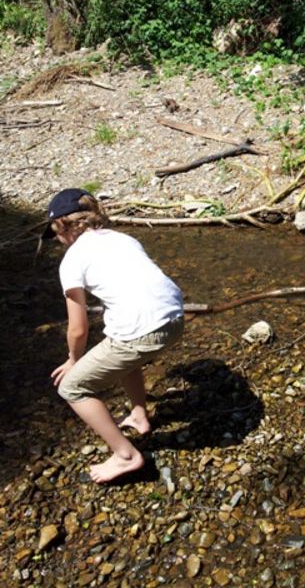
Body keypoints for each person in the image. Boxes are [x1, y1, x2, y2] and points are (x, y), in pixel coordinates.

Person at [44, 188, 184, 483]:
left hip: (142, 331)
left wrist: (72, 360)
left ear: (64, 226)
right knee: (119, 347)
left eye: (55, 232)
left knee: (72, 387)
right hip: (175, 318)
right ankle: (139, 415)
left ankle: (126, 455)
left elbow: (78, 328)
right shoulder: (125, 239)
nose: (57, 240)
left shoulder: (72, 260)